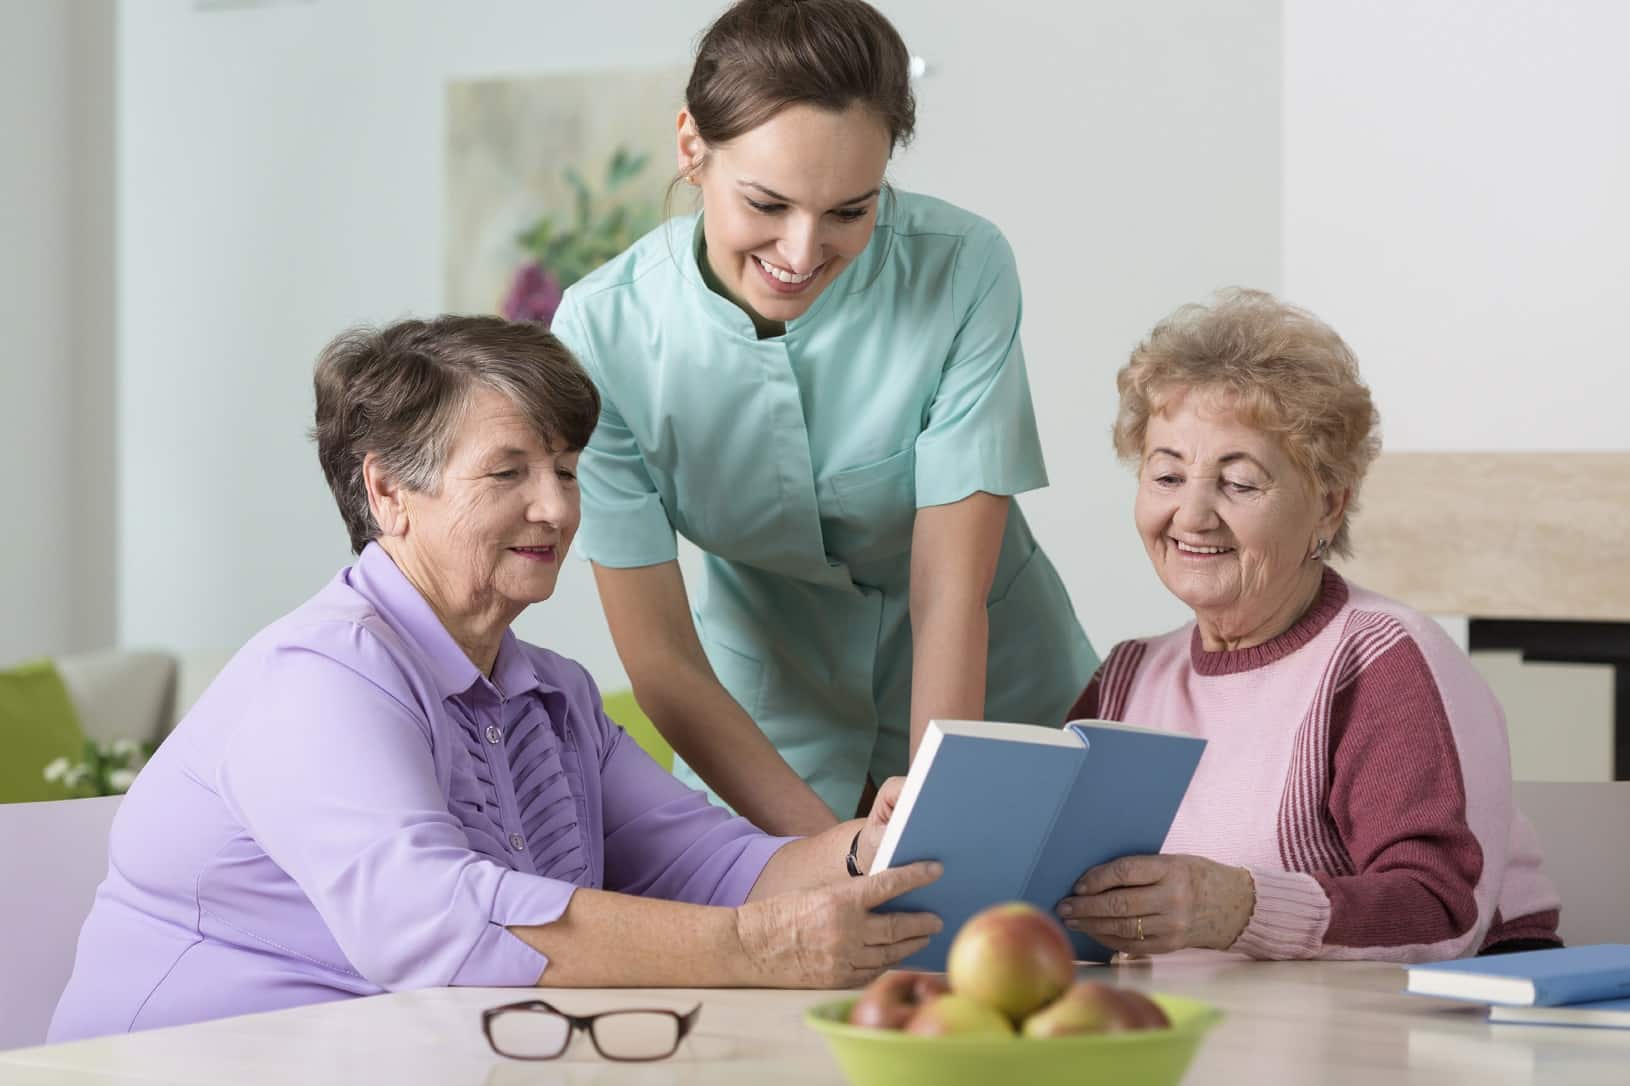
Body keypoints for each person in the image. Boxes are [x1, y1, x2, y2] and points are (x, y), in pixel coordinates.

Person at [48, 317, 939, 1042]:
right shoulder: (320, 677)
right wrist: (752, 949)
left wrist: (865, 849)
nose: (554, 507)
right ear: (388, 492)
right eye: (509, 472)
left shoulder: (551, 694)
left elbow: (707, 864)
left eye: (565, 470)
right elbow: (430, 922)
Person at [551, 0, 1095, 834]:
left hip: (988, 692)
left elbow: (950, 590)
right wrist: (828, 851)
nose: (802, 254)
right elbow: (659, 655)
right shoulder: (601, 334)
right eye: (767, 204)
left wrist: (938, 811)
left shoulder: (961, 269)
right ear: (693, 146)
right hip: (761, 719)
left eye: (850, 211)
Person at [1054, 290, 1561, 962]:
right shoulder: (1127, 677)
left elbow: (1442, 912)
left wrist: (1238, 907)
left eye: (1238, 482)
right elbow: (1049, 886)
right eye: (1168, 474)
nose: (1193, 514)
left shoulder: (1382, 660)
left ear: (1328, 504)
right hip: (1210, 1039)